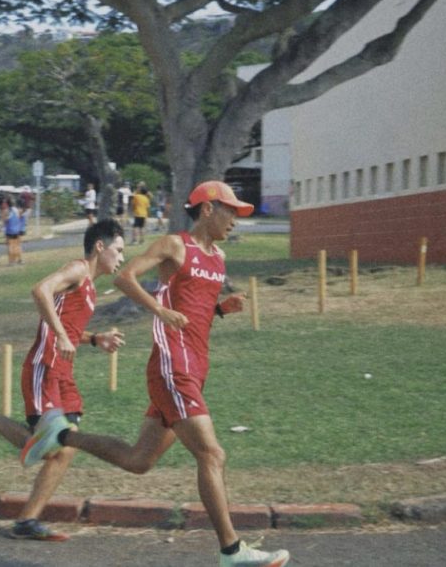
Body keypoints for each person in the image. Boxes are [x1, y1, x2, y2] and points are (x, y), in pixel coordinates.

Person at [20, 181, 289, 567]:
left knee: (138, 460)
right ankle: (233, 551)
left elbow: (192, 312)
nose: (235, 220)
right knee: (212, 453)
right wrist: (157, 310)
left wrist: (220, 311)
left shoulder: (218, 258)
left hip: (196, 366)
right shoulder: (175, 245)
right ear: (208, 209)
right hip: (172, 367)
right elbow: (124, 277)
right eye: (230, 211)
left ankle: (61, 434)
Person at [0, 219, 126, 541]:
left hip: (63, 373)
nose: (122, 258)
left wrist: (95, 339)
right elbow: (39, 289)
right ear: (100, 246)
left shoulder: (92, 288)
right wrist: (60, 335)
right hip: (44, 366)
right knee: (49, 446)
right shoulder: (78, 269)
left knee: (65, 449)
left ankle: (27, 520)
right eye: (119, 250)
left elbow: (68, 330)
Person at [2, 196, 23, 266]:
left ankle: (11, 261)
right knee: (17, 246)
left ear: (7, 203)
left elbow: (5, 221)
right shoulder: (17, 210)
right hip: (16, 230)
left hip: (9, 230)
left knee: (10, 246)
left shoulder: (6, 211)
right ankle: (19, 260)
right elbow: (19, 218)